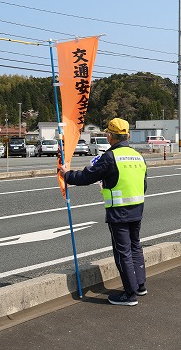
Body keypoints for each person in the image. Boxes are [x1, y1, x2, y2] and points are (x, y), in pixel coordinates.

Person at [58, 118, 147, 306]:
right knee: (135, 246)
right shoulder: (138, 156)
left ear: (110, 136)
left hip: (119, 211)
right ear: (127, 136)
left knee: (123, 251)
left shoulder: (110, 157)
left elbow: (87, 176)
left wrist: (67, 174)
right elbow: (144, 184)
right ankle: (140, 286)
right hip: (137, 208)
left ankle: (130, 294)